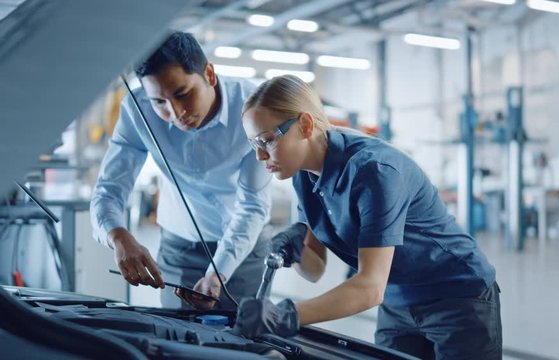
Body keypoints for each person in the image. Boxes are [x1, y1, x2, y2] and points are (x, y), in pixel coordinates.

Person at [233, 75, 502, 359]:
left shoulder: (374, 171)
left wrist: (285, 316)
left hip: (457, 297)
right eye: (254, 144)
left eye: (267, 140)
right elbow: (314, 271)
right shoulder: (303, 175)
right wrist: (297, 247)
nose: (260, 156)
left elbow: (370, 287)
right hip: (397, 300)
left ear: (305, 125)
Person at [90, 31, 272, 310]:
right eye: (159, 102)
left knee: (243, 341)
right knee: (176, 339)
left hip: (245, 249)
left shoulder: (253, 107)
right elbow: (109, 189)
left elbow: (251, 206)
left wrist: (217, 272)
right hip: (179, 250)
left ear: (209, 74)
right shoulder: (137, 110)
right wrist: (118, 236)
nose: (175, 114)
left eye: (183, 94)